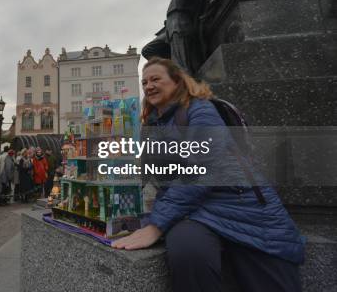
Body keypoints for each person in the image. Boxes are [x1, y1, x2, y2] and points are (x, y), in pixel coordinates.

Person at [112, 58, 305, 292]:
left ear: (177, 81)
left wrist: (157, 225)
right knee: (187, 252)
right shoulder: (152, 125)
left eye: (155, 79)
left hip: (238, 204)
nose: (148, 86)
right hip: (191, 210)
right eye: (144, 82)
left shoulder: (200, 109)